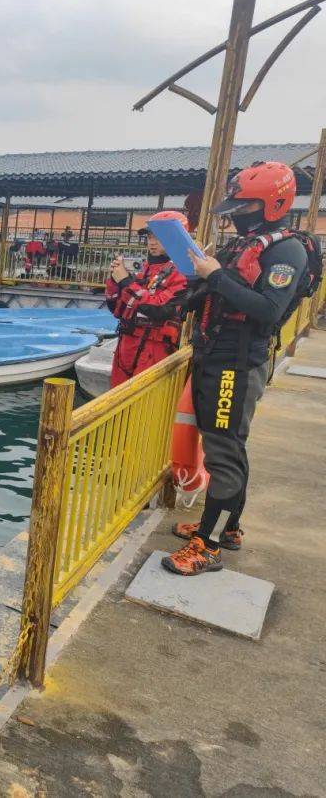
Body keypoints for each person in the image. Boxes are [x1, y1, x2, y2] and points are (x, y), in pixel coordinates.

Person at [164, 161, 313, 575]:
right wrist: (194, 283)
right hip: (215, 356)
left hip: (237, 364)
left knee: (224, 452)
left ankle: (208, 545)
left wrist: (215, 276)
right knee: (227, 446)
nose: (236, 215)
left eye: (244, 207)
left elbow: (267, 309)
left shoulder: (287, 251)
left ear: (272, 204)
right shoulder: (246, 244)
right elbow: (218, 292)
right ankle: (226, 528)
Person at [105, 211, 190, 386]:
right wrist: (115, 281)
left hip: (154, 349)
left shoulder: (185, 272)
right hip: (126, 345)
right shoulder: (145, 269)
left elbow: (161, 309)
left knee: (143, 399)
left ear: (177, 238)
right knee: (117, 396)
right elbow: (116, 309)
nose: (152, 242)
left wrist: (126, 282)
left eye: (159, 237)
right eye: (150, 237)